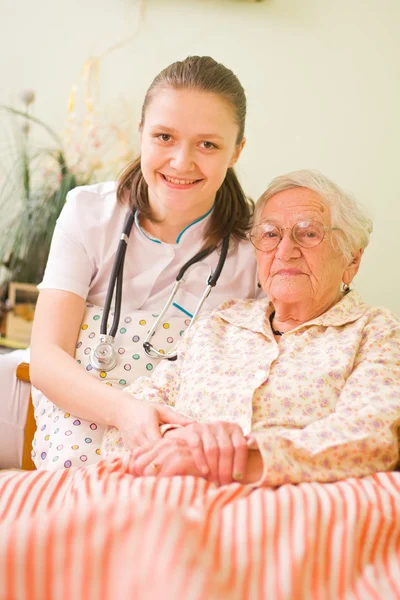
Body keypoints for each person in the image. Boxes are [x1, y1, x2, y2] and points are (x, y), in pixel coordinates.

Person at [29, 55, 263, 470]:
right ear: (141, 133)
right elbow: (47, 356)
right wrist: (125, 412)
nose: (181, 162)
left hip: (186, 433)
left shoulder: (257, 247)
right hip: (82, 414)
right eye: (164, 136)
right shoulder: (87, 213)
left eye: (208, 144)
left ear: (237, 151)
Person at [102, 169, 400, 487]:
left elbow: (372, 436)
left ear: (352, 260)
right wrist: (179, 443)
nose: (285, 251)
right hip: (169, 485)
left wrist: (241, 460)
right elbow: (136, 412)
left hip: (292, 502)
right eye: (271, 234)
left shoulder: (377, 332)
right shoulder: (218, 324)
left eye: (309, 233)